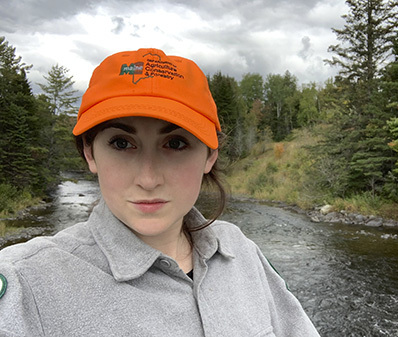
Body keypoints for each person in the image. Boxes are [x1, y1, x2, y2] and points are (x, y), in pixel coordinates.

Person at [0, 48, 320, 336]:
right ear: (90, 153)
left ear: (210, 155)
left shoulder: (241, 252)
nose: (149, 179)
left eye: (176, 143)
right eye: (122, 143)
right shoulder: (24, 284)